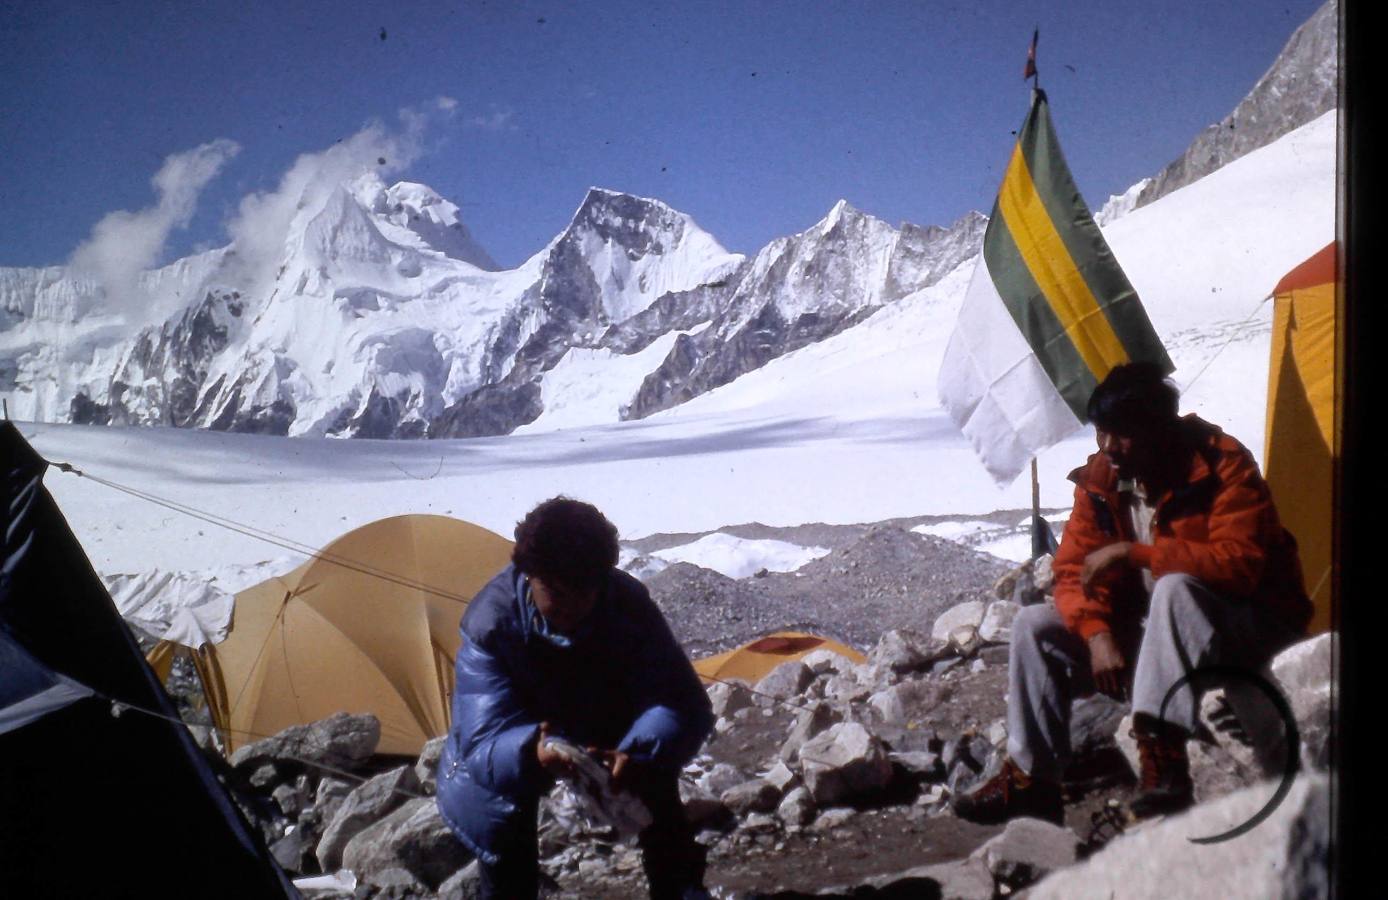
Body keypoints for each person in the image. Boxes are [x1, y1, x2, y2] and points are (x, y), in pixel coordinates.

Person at [953, 362, 1311, 824]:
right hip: (1162, 633)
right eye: (1102, 433)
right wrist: (1098, 633)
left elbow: (1240, 564)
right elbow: (1072, 572)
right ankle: (1033, 781)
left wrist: (1136, 553)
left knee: (1177, 587)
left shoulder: (1223, 466)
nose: (1108, 447)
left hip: (1246, 625)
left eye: (1122, 435)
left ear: (1158, 430)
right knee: (1035, 626)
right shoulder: (1103, 481)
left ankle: (1161, 756)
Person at [435, 497, 715, 899]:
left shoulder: (627, 604)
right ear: (528, 575)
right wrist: (530, 752)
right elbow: (481, 745)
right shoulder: (491, 625)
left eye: (585, 590)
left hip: (601, 718)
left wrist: (639, 753)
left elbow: (678, 699)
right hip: (520, 736)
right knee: (502, 819)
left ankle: (680, 888)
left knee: (654, 779)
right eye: (556, 591)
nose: (573, 606)